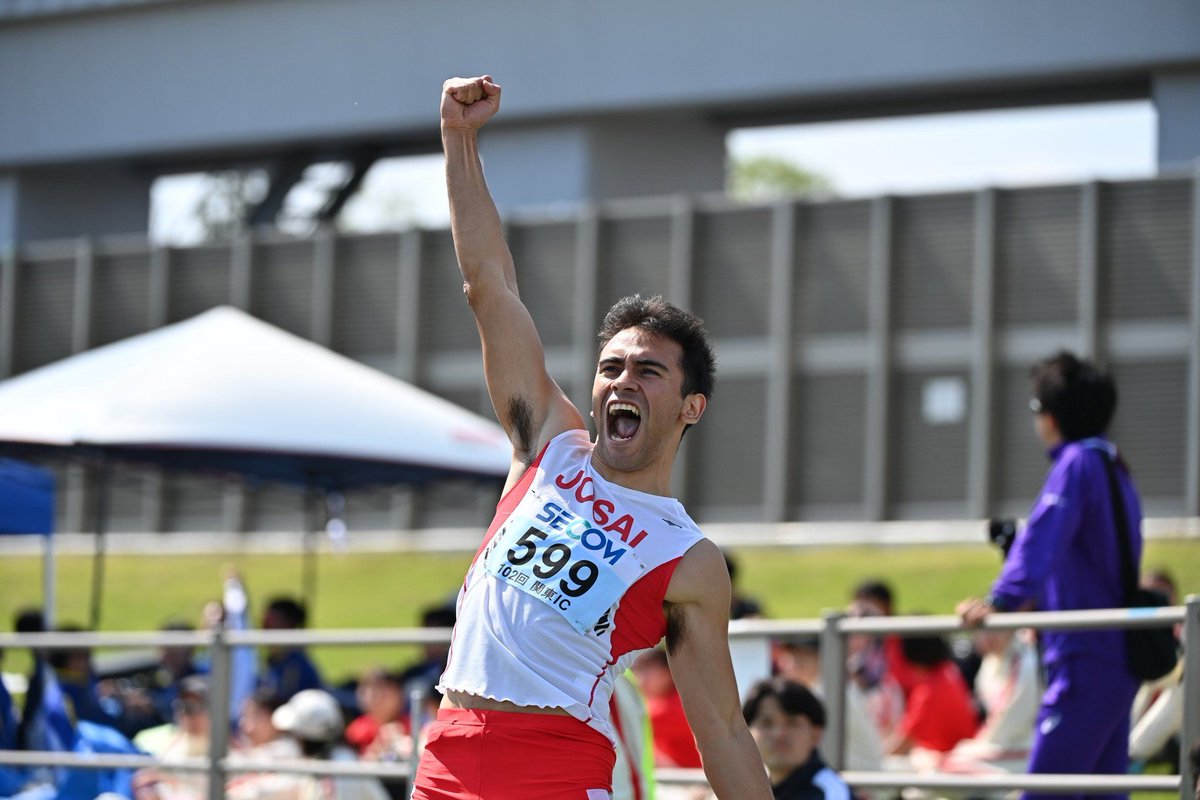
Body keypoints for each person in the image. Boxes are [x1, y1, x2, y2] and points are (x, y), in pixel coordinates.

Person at [414, 74, 773, 799]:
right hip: (447, 757)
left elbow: (723, 732)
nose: (621, 382)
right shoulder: (549, 445)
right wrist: (458, 139)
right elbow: (488, 284)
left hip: (556, 768)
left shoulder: (688, 560)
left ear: (692, 407)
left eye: (648, 371)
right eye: (610, 367)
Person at [958, 350, 1143, 800]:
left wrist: (999, 600)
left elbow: (1041, 540)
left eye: (1035, 407)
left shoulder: (1076, 464)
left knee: (1045, 793)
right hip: (1116, 653)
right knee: (1101, 795)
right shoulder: (1112, 465)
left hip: (1085, 655)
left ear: (1052, 415)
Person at [741, 678, 851, 800]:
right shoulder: (742, 788)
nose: (779, 734)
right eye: (766, 723)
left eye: (792, 723)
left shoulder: (829, 792)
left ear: (816, 734)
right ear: (746, 731)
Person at [259, 596, 323, 702]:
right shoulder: (271, 662)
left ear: (289, 625)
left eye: (270, 625)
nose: (264, 630)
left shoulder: (297, 666)